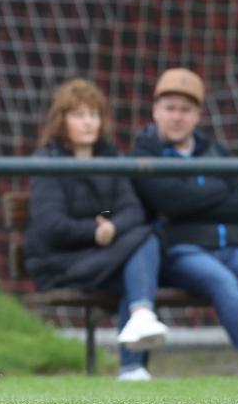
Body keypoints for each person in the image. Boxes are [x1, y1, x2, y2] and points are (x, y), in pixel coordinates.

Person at [24, 79, 168, 381]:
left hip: (109, 253)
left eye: (94, 114)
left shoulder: (112, 158)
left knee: (139, 255)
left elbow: (132, 210)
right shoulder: (46, 163)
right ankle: (133, 358)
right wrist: (94, 231)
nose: (88, 122)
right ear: (60, 121)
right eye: (79, 115)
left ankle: (135, 354)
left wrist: (112, 226)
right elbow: (51, 226)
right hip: (62, 262)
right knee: (144, 246)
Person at [131, 68, 238, 373]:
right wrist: (224, 188)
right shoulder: (143, 155)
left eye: (185, 110)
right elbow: (171, 202)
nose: (177, 117)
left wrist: (196, 197)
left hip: (235, 248)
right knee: (223, 283)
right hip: (181, 252)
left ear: (197, 114)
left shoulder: (216, 151)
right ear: (156, 111)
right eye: (170, 108)